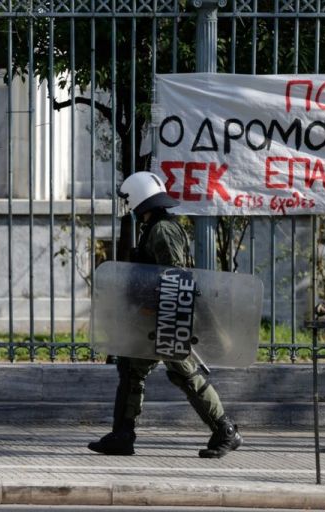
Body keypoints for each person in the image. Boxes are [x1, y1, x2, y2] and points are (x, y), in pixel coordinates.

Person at [88, 171, 242, 459]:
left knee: (186, 375)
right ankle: (123, 434)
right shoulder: (154, 227)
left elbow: (173, 276)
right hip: (155, 319)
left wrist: (161, 313)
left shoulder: (163, 230)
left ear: (137, 197)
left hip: (168, 318)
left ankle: (226, 431)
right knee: (132, 370)